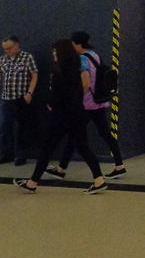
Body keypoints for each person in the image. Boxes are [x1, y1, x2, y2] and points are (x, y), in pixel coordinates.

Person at [13, 39, 107, 194]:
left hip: (61, 118)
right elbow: (78, 93)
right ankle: (99, 179)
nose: (54, 55)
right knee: (83, 147)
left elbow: (57, 98)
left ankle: (32, 183)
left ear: (62, 54)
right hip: (77, 114)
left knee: (47, 149)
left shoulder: (59, 74)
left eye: (56, 52)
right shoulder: (77, 70)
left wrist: (46, 101)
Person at [45, 31, 125, 180]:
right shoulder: (95, 55)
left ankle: (62, 169)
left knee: (75, 137)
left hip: (86, 103)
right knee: (104, 134)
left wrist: (72, 93)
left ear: (78, 44)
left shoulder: (81, 59)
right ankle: (119, 164)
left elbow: (85, 82)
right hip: (98, 101)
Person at [0, 35, 38, 166]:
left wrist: (29, 93)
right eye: (5, 49)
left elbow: (34, 75)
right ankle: (7, 153)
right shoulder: (3, 60)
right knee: (5, 127)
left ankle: (21, 155)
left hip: (21, 98)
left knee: (22, 128)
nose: (7, 51)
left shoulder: (27, 58)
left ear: (17, 45)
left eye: (9, 48)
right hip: (6, 98)